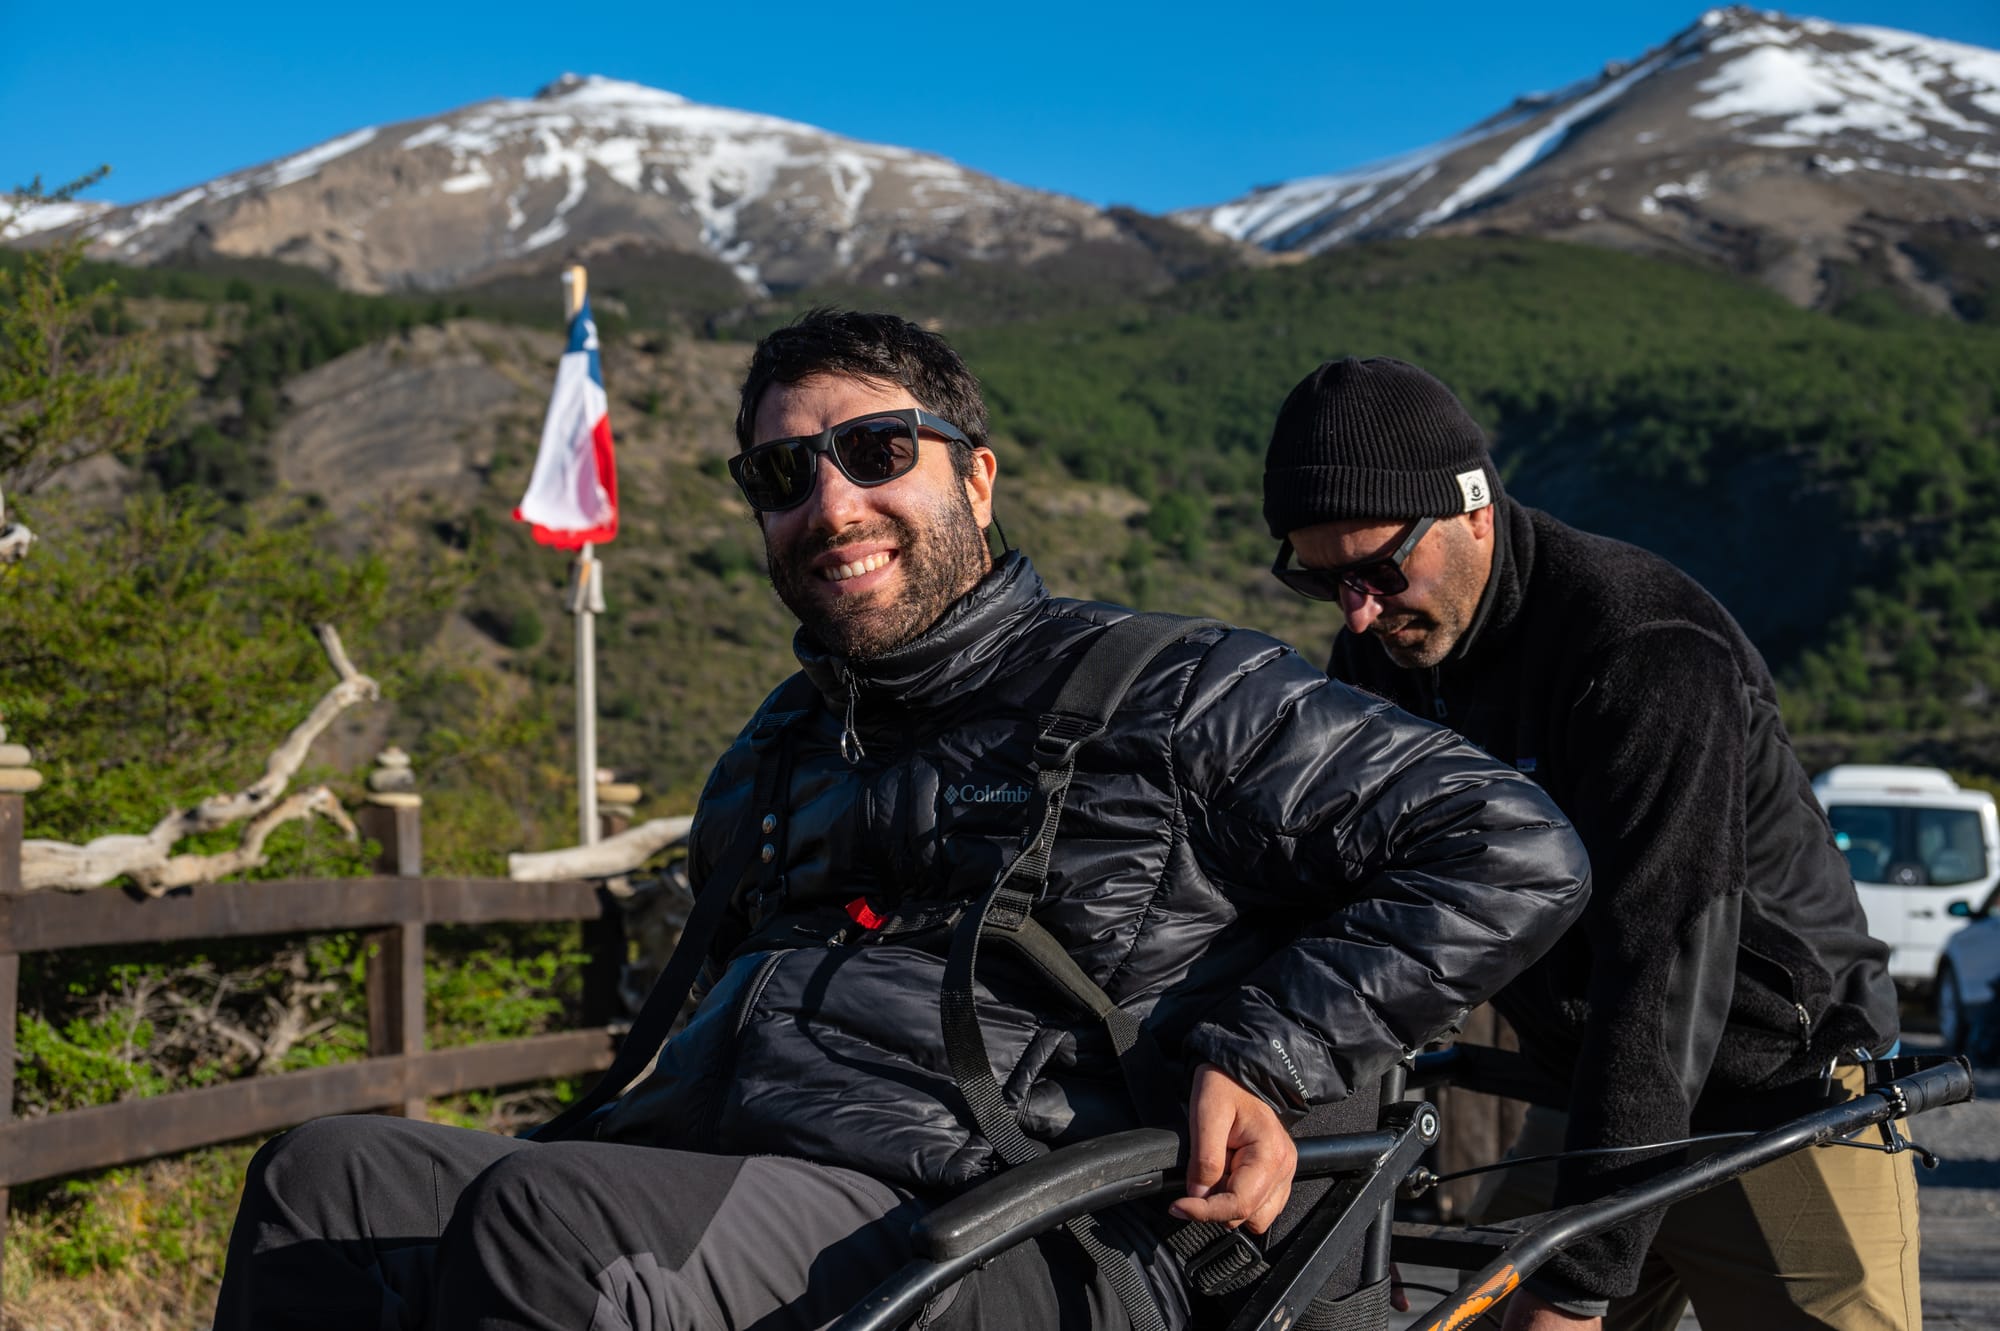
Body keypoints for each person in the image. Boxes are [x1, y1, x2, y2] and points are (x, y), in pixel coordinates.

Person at [214, 313, 1590, 1331]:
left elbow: (1511, 845)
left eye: (878, 451)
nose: (831, 504)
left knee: (549, 1220)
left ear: (976, 480)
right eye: (782, 476)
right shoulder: (778, 745)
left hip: (1011, 1212)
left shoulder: (1174, 688)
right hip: (720, 1168)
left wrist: (1267, 1047)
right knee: (324, 1173)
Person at [1260, 356, 1910, 1331]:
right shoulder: (1381, 650)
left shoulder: (1640, 649)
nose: (1355, 609)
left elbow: (1665, 963)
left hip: (1781, 1100)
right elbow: (1337, 890)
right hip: (1593, 1091)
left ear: (1472, 509)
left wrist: (1577, 1280)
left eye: (1378, 570)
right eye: (1321, 579)